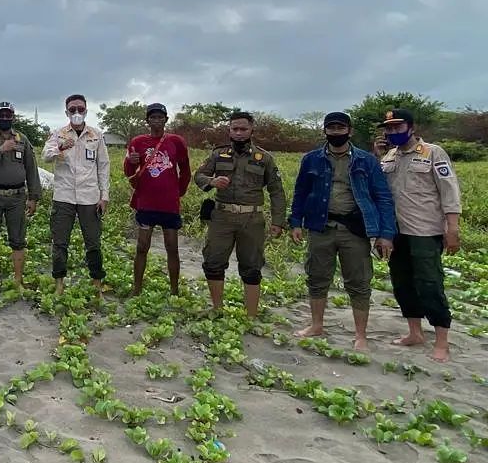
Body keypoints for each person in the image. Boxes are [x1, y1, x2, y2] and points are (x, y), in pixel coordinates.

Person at [289, 112, 396, 350]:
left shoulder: (366, 161)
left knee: (358, 282)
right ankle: (317, 325)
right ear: (325, 131)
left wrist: (386, 234)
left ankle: (361, 335)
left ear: (350, 131)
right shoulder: (311, 159)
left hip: (354, 228)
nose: (336, 132)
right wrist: (296, 221)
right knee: (317, 277)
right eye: (331, 128)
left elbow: (383, 197)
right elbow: (301, 192)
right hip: (321, 226)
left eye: (340, 128)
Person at [375, 108, 462, 362]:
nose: (393, 132)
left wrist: (452, 228)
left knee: (430, 284)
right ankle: (415, 333)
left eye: (398, 127)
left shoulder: (433, 153)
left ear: (411, 128)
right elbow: (380, 192)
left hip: (425, 230)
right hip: (396, 232)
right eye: (389, 128)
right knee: (403, 283)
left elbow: (449, 191)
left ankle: (442, 341)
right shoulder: (388, 156)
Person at [193, 111, 286, 318]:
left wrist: (278, 222)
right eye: (235, 129)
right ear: (229, 130)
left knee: (252, 267)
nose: (239, 133)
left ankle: (251, 316)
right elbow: (199, 175)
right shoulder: (218, 154)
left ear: (251, 130)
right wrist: (211, 182)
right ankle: (217, 310)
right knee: (213, 262)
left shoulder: (264, 158)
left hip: (251, 220)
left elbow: (277, 191)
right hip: (222, 217)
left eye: (243, 129)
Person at [42, 94, 110, 296]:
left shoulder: (96, 135)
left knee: (93, 243)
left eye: (80, 109)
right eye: (72, 109)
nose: (77, 113)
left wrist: (104, 195)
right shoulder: (58, 134)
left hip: (90, 197)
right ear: (66, 112)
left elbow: (103, 166)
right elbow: (46, 156)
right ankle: (59, 284)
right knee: (60, 242)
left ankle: (97, 282)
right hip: (64, 197)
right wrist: (61, 147)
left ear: (86, 110)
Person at [0, 101, 42, 296]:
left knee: (18, 240)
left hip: (17, 197)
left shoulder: (22, 139)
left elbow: (31, 169)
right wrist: (1, 149)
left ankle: (18, 281)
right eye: (1, 115)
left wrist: (33, 197)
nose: (5, 118)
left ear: (13, 117)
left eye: (8, 115)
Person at [123, 103, 191, 296]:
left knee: (172, 248)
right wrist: (131, 162)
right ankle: (136, 290)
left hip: (169, 205)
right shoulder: (137, 142)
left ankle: (174, 291)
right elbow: (129, 173)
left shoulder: (176, 142)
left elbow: (185, 170)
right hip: (146, 203)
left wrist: (179, 192)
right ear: (147, 121)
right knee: (142, 247)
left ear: (166, 120)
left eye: (160, 117)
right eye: (153, 117)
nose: (156, 121)